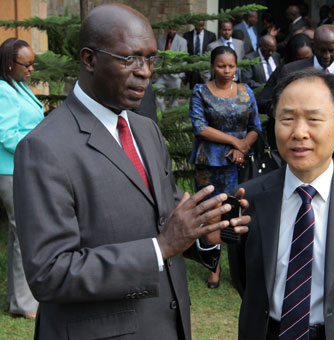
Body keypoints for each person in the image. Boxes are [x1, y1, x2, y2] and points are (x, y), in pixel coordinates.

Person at [12, 5, 250, 340]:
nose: (145, 72)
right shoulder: (45, 148)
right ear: (89, 59)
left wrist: (205, 232)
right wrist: (159, 248)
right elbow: (50, 273)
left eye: (151, 59)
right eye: (130, 59)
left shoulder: (146, 130)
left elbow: (165, 218)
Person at [232, 68, 334, 340]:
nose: (299, 132)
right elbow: (245, 280)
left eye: (313, 119)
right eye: (287, 118)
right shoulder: (249, 197)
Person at [189, 46, 262, 289]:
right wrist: (234, 141)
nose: (227, 70)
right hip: (208, 164)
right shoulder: (200, 92)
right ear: (212, 67)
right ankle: (214, 267)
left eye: (231, 66)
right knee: (211, 214)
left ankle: (239, 268)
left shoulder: (245, 91)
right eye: (221, 66)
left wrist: (242, 148)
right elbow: (200, 127)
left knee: (236, 214)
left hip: (239, 164)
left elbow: (255, 126)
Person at [258, 25, 334, 174]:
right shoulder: (292, 70)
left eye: (331, 50)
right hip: (302, 148)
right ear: (314, 46)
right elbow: (274, 103)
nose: (326, 55)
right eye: (322, 50)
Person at [0, 37, 42, 320]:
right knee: (24, 235)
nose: (30, 69)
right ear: (9, 64)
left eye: (32, 64)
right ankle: (25, 305)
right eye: (26, 64)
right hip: (10, 171)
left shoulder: (18, 86)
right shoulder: (3, 90)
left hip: (23, 169)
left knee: (18, 235)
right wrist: (42, 142)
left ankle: (17, 300)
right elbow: (6, 136)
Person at [155, 27, 188, 112]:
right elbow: (158, 57)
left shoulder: (182, 41)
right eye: (169, 29)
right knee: (157, 93)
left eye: (173, 29)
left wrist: (180, 75)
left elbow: (183, 58)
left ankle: (171, 113)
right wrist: (155, 70)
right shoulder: (160, 40)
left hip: (175, 75)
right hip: (162, 74)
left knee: (174, 99)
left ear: (176, 30)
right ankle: (163, 112)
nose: (171, 31)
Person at [183, 21, 216, 89]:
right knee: (194, 90)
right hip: (192, 69)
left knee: (206, 89)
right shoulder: (187, 36)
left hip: (206, 68)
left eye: (202, 25)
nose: (201, 27)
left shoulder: (211, 36)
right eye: (199, 25)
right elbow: (185, 53)